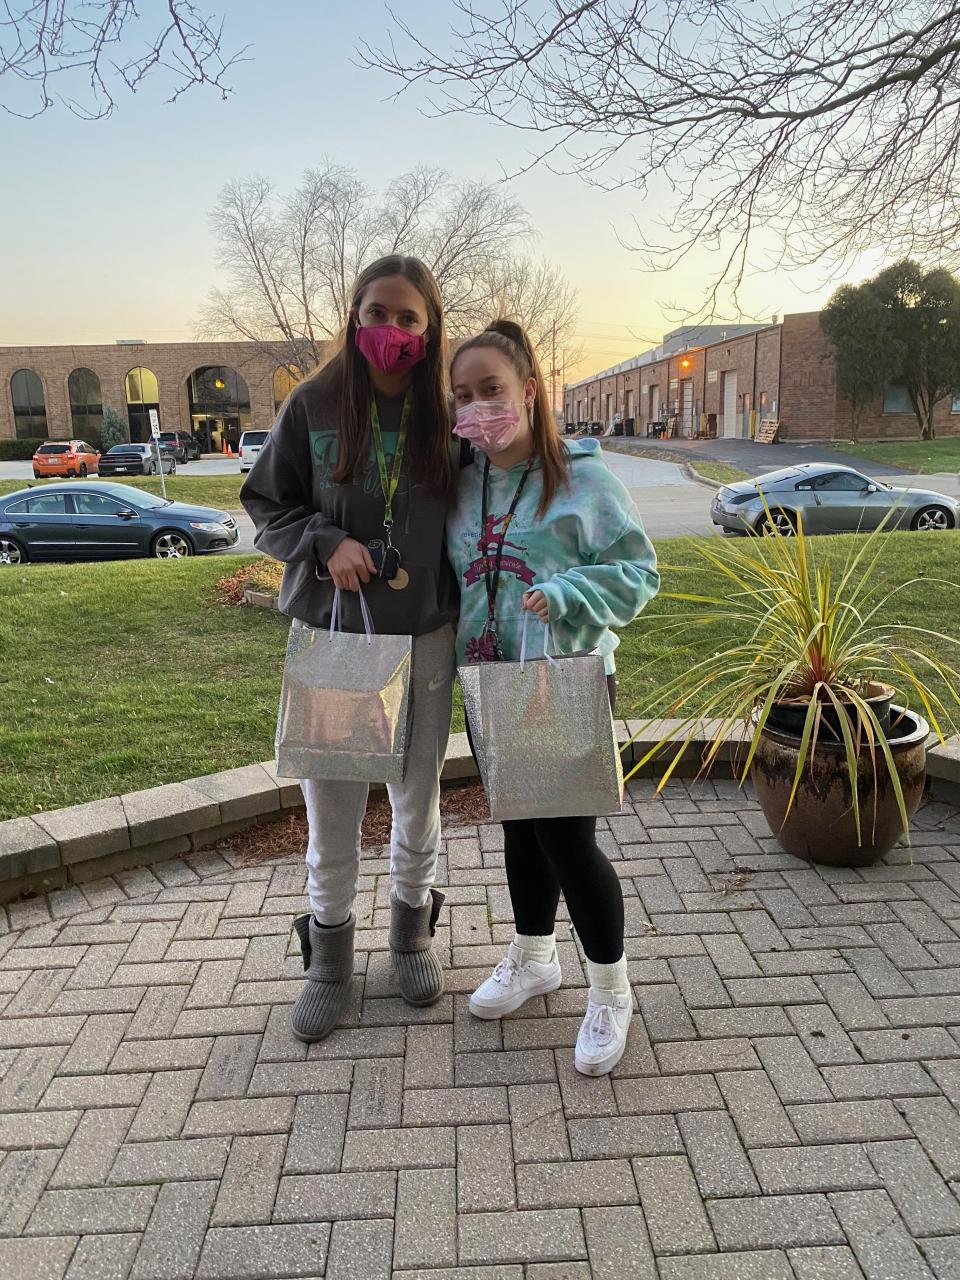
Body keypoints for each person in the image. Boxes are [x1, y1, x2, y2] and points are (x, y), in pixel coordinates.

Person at [241, 255, 458, 1043]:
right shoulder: (315, 402)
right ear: (354, 316)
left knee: (416, 800)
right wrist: (324, 540)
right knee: (332, 808)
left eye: (408, 318)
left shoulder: (449, 414)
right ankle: (329, 962)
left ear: (429, 329)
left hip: (425, 637)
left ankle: (411, 938)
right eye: (377, 313)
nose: (391, 330)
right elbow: (267, 503)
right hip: (335, 636)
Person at [446, 319, 660, 1075]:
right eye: (463, 395)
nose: (478, 408)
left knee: (567, 841)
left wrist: (568, 591)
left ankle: (610, 989)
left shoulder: (585, 480)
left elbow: (639, 574)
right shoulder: (463, 483)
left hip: (563, 680)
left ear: (530, 391)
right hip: (489, 682)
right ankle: (535, 957)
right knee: (517, 828)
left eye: (492, 390)